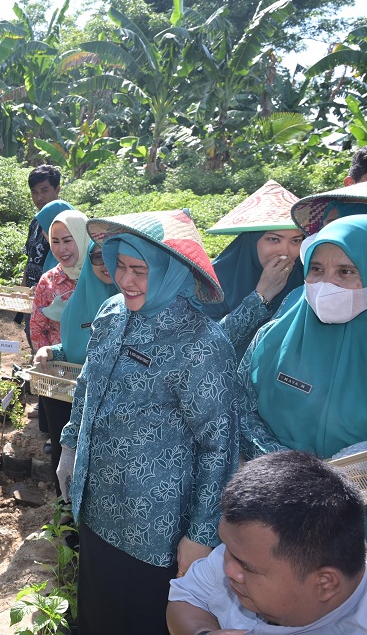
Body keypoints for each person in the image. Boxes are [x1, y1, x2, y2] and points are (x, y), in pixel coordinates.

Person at [57, 210, 240, 634]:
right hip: (98, 503)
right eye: (120, 266)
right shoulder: (111, 313)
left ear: (169, 272)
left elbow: (219, 445)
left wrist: (201, 534)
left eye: (140, 270)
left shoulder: (200, 344)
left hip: (155, 526)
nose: (126, 280)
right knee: (98, 611)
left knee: (142, 617)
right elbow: (88, 384)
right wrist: (69, 445)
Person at [167, 450, 367, 634]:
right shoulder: (245, 550)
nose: (229, 570)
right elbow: (187, 596)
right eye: (226, 546)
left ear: (325, 584)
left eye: (247, 568)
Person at [239, 214, 367, 461]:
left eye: (345, 271)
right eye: (316, 269)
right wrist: (287, 464)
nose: (326, 284)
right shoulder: (272, 337)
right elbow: (242, 408)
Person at [201, 181, 305, 358]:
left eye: (296, 241)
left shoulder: (309, 275)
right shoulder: (212, 281)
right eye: (274, 239)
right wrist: (262, 296)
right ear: (251, 240)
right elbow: (205, 347)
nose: (285, 252)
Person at [29, 209, 90, 493]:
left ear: (83, 238)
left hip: (93, 378)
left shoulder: (100, 275)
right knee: (60, 442)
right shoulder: (49, 281)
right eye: (55, 241)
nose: (62, 249)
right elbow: (37, 326)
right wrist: (45, 356)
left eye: (68, 240)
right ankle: (62, 504)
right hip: (58, 380)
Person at [21, 165, 62, 354]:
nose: (39, 197)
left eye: (44, 191)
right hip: (32, 295)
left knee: (52, 342)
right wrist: (23, 289)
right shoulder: (36, 221)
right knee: (33, 335)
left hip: (53, 298)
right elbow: (30, 258)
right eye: (34, 192)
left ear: (57, 189)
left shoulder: (64, 223)